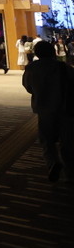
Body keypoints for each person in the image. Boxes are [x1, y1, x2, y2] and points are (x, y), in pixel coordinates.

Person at [22, 40, 74, 182]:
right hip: (64, 108)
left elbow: (28, 87)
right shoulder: (63, 67)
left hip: (43, 108)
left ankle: (52, 162)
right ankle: (70, 171)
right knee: (67, 140)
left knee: (46, 140)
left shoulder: (31, 68)